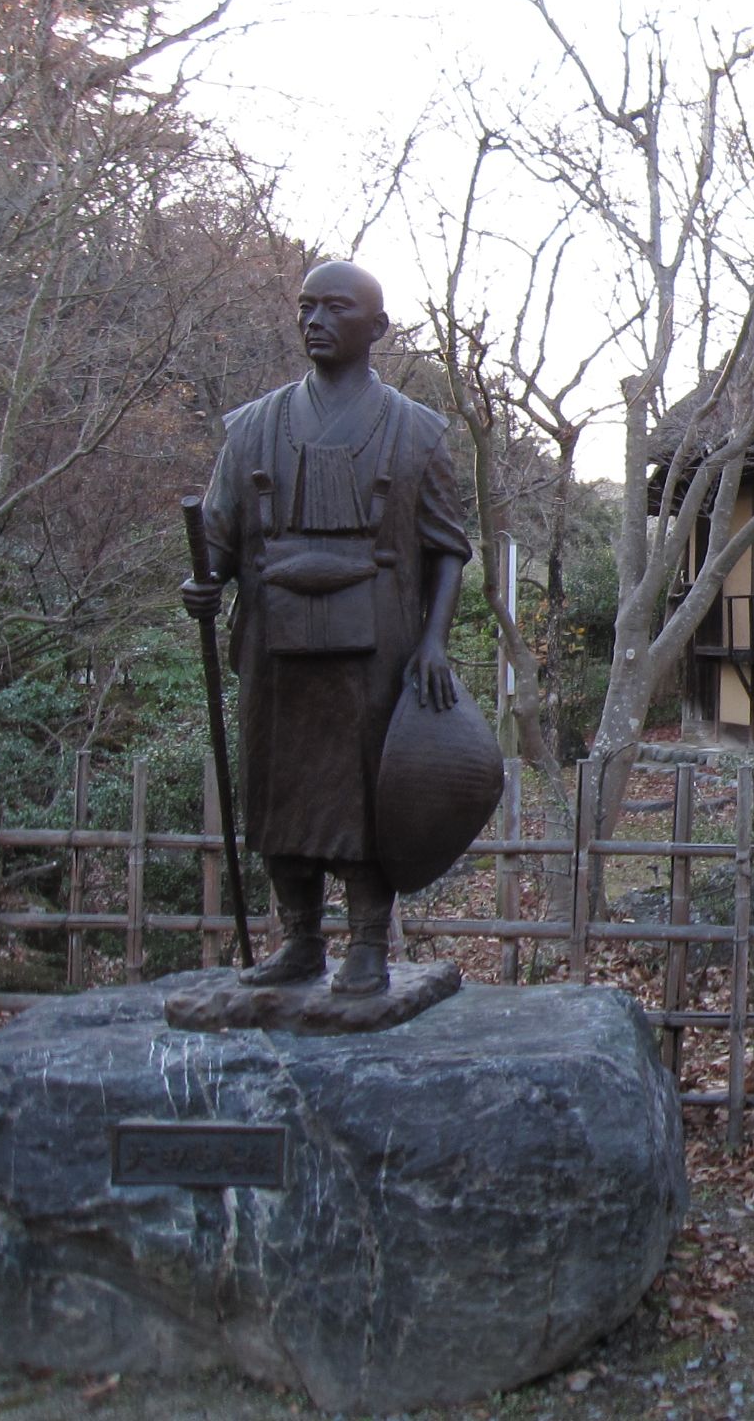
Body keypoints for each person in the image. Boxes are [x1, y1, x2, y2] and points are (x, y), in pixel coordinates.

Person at [180, 260, 471, 997]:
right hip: (274, 647)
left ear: (377, 327)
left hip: (378, 648)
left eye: (335, 308)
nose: (315, 321)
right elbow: (218, 539)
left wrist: (433, 641)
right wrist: (204, 580)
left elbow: (447, 549)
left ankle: (369, 942)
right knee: (278, 788)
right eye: (306, 307)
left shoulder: (417, 432)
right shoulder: (252, 428)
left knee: (371, 792)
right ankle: (300, 942)